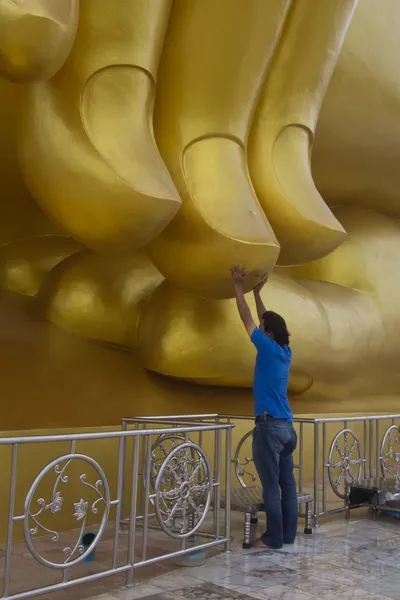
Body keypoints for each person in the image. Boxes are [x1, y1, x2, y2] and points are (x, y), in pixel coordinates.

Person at [229, 264, 298, 550]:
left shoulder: (267, 348)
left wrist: (237, 287)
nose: (260, 327)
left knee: (271, 485)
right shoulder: (285, 351)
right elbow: (263, 319)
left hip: (269, 428)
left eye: (263, 328)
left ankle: (271, 539)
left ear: (267, 334)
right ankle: (288, 535)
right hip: (287, 429)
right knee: (287, 484)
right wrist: (257, 292)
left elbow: (248, 319)